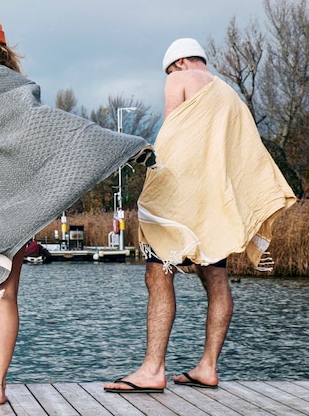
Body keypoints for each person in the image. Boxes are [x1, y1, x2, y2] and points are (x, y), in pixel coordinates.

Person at [0, 12, 152, 405]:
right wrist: (114, 144)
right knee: (6, 296)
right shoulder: (22, 88)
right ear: (3, 48)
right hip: (11, 211)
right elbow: (49, 133)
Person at [104, 38, 296, 394]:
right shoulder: (230, 96)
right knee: (216, 280)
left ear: (178, 64)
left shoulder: (179, 79)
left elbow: (172, 138)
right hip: (214, 208)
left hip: (182, 201)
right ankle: (208, 366)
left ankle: (152, 369)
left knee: (158, 276)